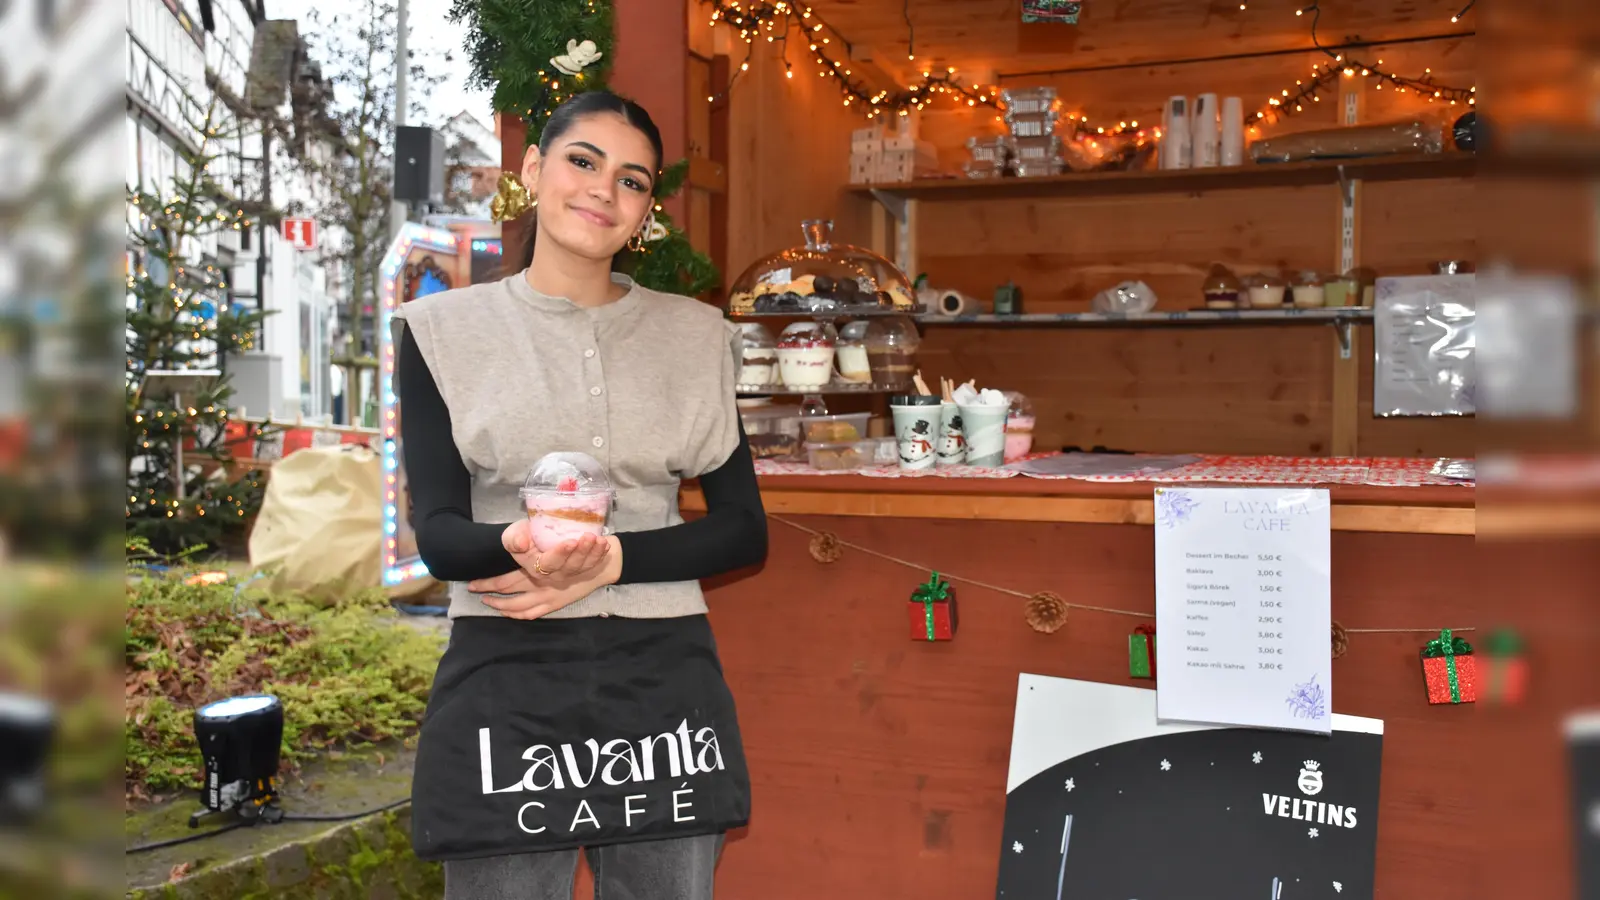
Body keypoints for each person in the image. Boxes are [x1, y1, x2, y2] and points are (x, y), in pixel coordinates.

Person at [392, 91, 767, 900]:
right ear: (534, 170)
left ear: (646, 210)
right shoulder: (440, 331)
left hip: (664, 673)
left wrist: (609, 562)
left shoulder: (697, 336)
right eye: (583, 161)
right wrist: (518, 544)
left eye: (633, 180)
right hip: (505, 663)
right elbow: (442, 534)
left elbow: (744, 530)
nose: (604, 189)